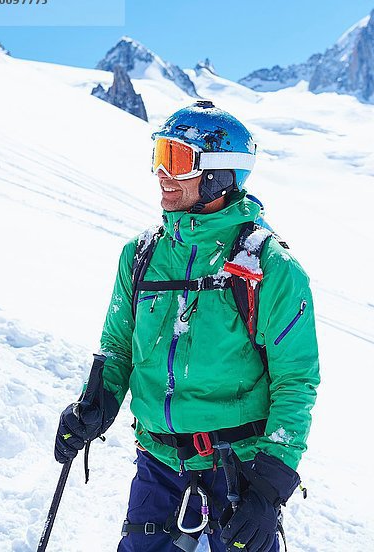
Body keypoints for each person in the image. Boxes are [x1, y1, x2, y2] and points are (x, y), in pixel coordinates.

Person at [55, 101, 320, 552]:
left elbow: (297, 382)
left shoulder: (269, 267)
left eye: (177, 159)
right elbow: (118, 346)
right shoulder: (140, 256)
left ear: (220, 173)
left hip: (241, 471)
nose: (161, 172)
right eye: (158, 155)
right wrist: (94, 406)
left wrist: (270, 485)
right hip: (157, 465)